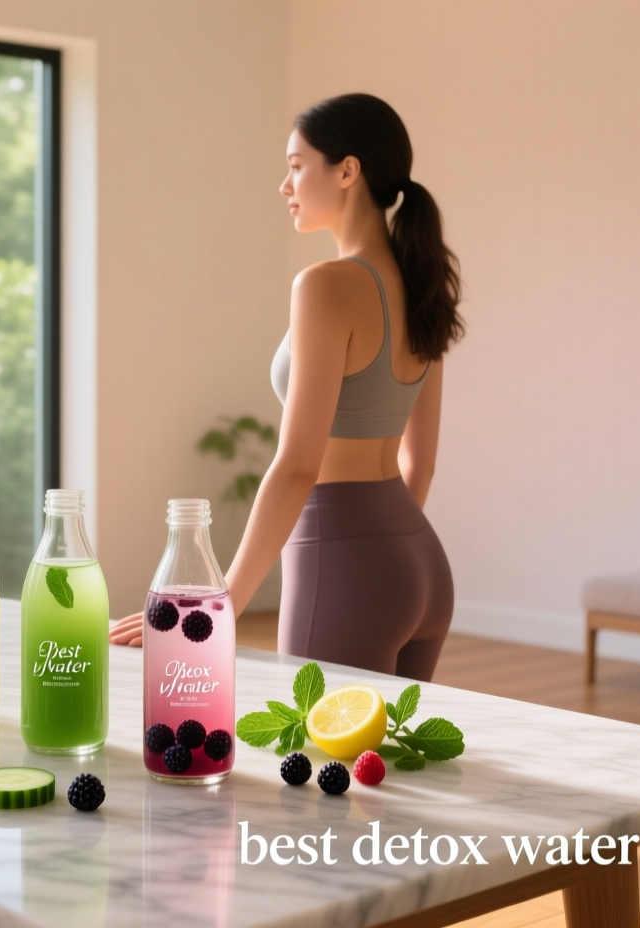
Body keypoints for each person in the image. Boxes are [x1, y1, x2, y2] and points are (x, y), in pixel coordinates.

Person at [110, 93, 463, 680]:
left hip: (343, 559)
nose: (285, 184)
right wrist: (385, 553)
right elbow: (419, 465)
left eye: (298, 165)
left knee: (320, 763)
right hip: (419, 558)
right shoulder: (420, 282)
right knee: (390, 766)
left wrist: (215, 605)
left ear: (348, 170)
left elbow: (298, 465)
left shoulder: (325, 284)